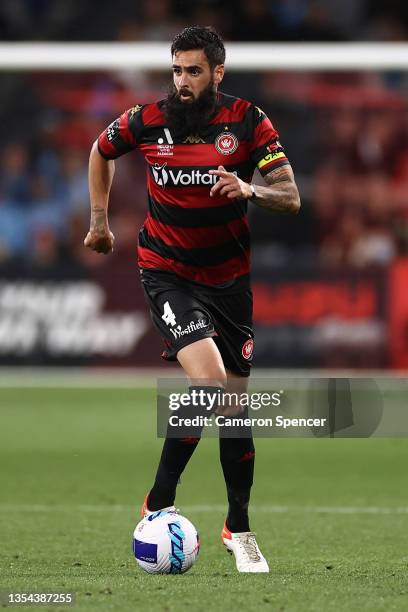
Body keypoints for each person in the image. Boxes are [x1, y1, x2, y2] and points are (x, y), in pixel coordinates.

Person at [85, 26, 300, 573]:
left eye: (194, 71)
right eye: (177, 70)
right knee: (207, 384)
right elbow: (99, 149)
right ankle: (159, 501)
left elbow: (291, 197)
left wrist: (251, 188)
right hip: (167, 271)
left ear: (218, 73)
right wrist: (99, 221)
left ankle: (239, 527)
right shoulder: (147, 119)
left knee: (235, 409)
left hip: (229, 281)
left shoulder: (250, 122)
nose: (182, 81)